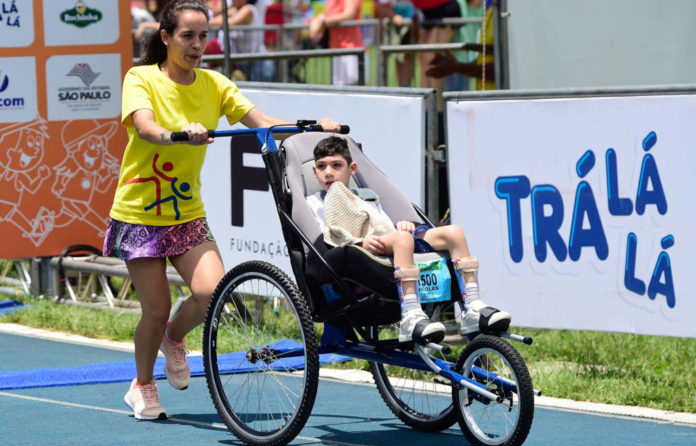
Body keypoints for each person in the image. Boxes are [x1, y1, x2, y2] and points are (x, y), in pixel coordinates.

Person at [105, 0, 341, 421]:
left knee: (212, 293)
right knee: (155, 310)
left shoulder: (214, 83)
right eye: (187, 37)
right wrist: (178, 135)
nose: (198, 45)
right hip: (139, 214)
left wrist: (310, 127)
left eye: (203, 36)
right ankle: (141, 385)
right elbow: (145, 127)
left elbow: (262, 121)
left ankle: (173, 340)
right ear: (165, 37)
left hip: (186, 213)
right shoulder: (139, 78)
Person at [306, 136, 511, 343]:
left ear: (352, 169)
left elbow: (381, 225)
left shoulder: (367, 196)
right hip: (354, 252)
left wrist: (403, 226)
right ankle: (411, 315)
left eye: (336, 165)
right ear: (315, 172)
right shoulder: (314, 203)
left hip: (388, 242)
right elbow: (326, 237)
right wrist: (359, 243)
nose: (329, 172)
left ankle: (473, 307)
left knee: (454, 233)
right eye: (322, 167)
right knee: (403, 240)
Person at [425, 0, 494, 90]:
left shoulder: (497, 10)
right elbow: (493, 51)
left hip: (464, 68)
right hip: (461, 65)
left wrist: (457, 67)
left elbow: (500, 66)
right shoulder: (489, 9)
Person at [207, 0, 275, 81]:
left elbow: (229, 22)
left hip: (257, 62)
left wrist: (205, 22)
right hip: (243, 62)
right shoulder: (234, 10)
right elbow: (217, 12)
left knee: (259, 90)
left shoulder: (249, 9)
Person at [308, 0, 365, 85]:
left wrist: (322, 22)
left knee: (353, 92)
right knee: (339, 93)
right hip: (337, 50)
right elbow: (328, 13)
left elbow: (349, 13)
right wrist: (317, 21)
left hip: (352, 50)